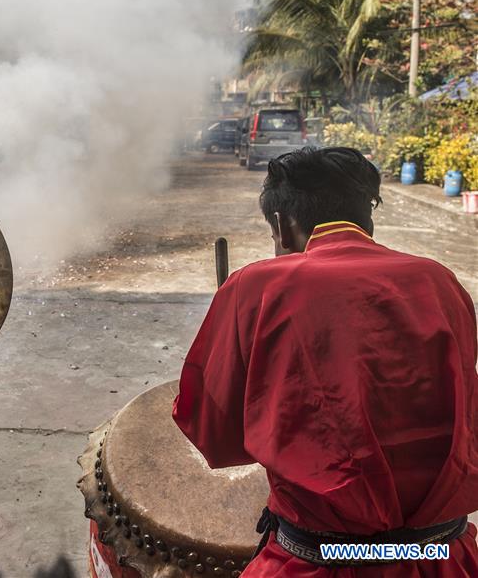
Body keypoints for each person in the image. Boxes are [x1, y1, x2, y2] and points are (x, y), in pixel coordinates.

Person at [173, 147, 477, 576]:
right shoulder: (440, 281)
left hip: (315, 563)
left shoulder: (256, 286)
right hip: (444, 558)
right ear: (366, 217)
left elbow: (214, 433)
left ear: (281, 225)